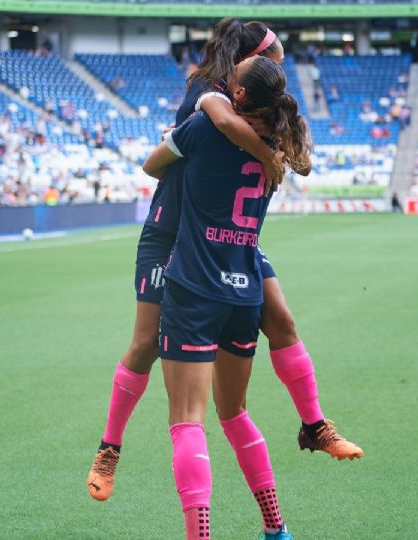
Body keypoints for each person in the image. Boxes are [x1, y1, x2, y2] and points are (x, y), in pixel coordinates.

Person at [87, 19, 361, 504]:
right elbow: (218, 126)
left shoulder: (256, 101)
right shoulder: (208, 94)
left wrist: (276, 144)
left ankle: (315, 425)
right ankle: (109, 448)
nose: (279, 71)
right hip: (174, 233)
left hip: (229, 237)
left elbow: (298, 155)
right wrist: (262, 148)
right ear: (245, 62)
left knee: (281, 320)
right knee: (147, 342)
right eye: (273, 60)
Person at [141, 55, 312, 539]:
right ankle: (276, 529)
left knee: (187, 423)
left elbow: (153, 166)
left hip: (195, 286)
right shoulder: (277, 145)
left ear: (237, 94)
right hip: (245, 292)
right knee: (234, 412)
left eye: (231, 76)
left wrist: (184, 136)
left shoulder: (203, 126)